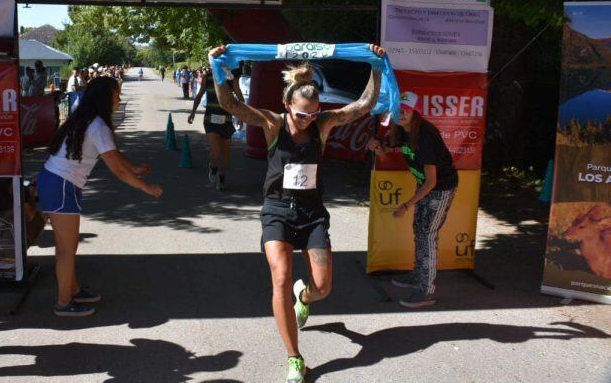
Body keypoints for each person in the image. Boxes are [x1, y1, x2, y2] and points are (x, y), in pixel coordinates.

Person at [208, 44, 384, 383]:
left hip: (313, 214)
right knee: (280, 278)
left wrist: (377, 65)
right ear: (288, 105)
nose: (308, 119)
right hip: (277, 212)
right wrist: (216, 66)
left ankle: (304, 297)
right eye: (302, 114)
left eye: (314, 113)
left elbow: (364, 106)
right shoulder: (272, 123)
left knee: (323, 287)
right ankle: (294, 358)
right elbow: (230, 104)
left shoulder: (323, 125)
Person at [37, 76, 163, 317]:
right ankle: (64, 303)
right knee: (66, 249)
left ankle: (72, 290)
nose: (119, 99)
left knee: (68, 246)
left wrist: (134, 168)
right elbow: (116, 168)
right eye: (117, 95)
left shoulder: (86, 118)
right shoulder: (98, 126)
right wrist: (144, 187)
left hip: (58, 183)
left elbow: (113, 155)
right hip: (61, 185)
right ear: (105, 98)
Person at [366, 91, 458, 308]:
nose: (402, 114)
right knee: (419, 228)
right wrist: (378, 148)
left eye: (406, 110)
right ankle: (418, 274)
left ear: (416, 112)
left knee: (428, 235)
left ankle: (427, 291)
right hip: (425, 185)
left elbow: (432, 182)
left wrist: (406, 205)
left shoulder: (426, 136)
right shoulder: (400, 131)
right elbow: (387, 151)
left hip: (440, 187)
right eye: (398, 109)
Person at [188, 69, 244, 190]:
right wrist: (192, 113)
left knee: (226, 154)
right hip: (210, 120)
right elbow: (199, 95)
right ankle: (213, 166)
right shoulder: (208, 77)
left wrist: (241, 116)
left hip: (227, 121)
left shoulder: (231, 78)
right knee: (216, 151)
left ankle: (222, 177)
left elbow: (240, 98)